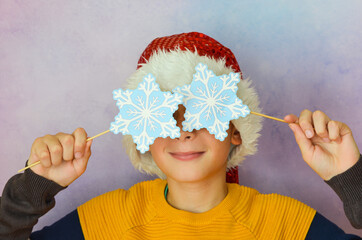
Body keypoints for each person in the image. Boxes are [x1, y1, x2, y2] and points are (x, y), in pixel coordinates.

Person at [0, 32, 361, 239]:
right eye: (165, 113)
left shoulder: (283, 224)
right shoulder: (109, 221)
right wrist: (32, 188)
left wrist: (351, 179)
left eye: (202, 110)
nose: (184, 130)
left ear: (235, 128)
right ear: (141, 128)